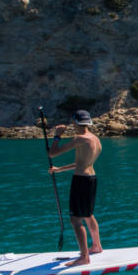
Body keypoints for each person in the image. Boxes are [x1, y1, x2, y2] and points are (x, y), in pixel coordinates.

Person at [49, 109, 103, 265]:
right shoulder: (95, 140)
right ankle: (96, 246)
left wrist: (58, 135)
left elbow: (52, 153)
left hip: (80, 181)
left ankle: (84, 257)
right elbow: (83, 164)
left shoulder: (79, 139)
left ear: (75, 122)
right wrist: (59, 169)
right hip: (91, 178)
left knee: (75, 219)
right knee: (88, 214)